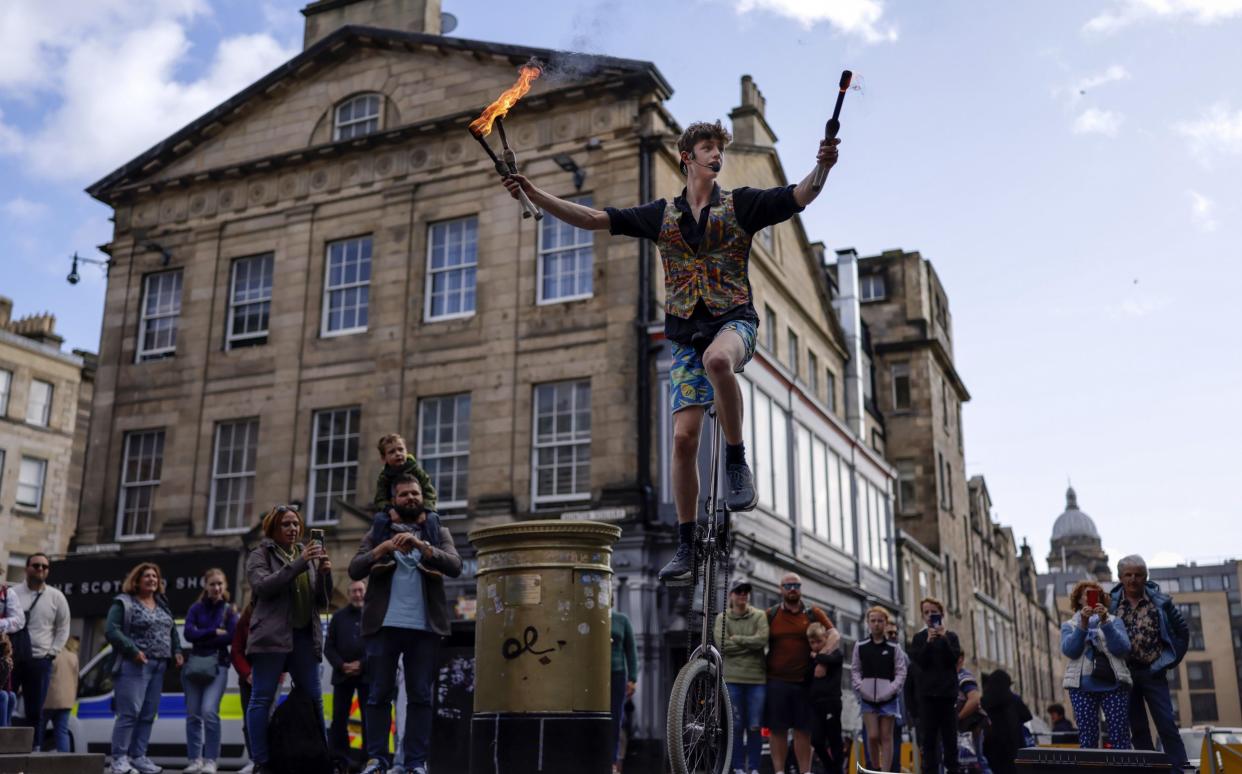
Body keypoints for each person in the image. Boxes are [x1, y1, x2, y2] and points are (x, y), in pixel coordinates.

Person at [502, 122, 840, 585]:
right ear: (687, 156)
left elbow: (800, 195)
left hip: (733, 321)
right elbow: (593, 219)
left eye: (720, 148)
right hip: (685, 333)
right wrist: (535, 193)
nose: (716, 155)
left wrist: (821, 165)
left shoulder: (740, 204)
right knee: (683, 440)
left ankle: (737, 462)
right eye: (707, 147)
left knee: (719, 361)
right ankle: (687, 542)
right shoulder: (661, 215)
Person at [349, 474, 462, 774]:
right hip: (384, 626)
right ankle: (377, 760)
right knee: (378, 696)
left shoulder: (439, 532)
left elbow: (455, 566)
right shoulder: (378, 532)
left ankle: (414, 763)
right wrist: (383, 548)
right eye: (404, 495)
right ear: (394, 500)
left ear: (422, 497)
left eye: (415, 493)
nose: (411, 498)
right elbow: (354, 568)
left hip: (424, 628)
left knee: (420, 697)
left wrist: (421, 545)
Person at [246, 505, 334, 774]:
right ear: (274, 527)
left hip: (304, 635)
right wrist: (300, 563)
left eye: (296, 524)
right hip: (271, 637)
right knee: (261, 699)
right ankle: (261, 761)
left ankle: (321, 757)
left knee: (314, 698)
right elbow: (263, 586)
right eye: (286, 524)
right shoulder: (259, 555)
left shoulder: (303, 555)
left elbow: (321, 600)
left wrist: (324, 573)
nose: (293, 529)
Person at [1108, 555, 1190, 769]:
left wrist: (1169, 660)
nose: (1133, 579)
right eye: (1128, 575)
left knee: (1166, 725)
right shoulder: (1110, 604)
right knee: (1138, 728)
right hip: (1125, 676)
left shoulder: (1161, 602)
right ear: (1120, 577)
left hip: (1153, 672)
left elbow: (1182, 633)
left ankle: (1179, 768)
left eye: (1138, 574)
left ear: (1146, 577)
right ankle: (1148, 769)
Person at [105, 562, 185, 774]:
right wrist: (132, 650)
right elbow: (112, 631)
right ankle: (119, 759)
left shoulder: (162, 603)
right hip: (134, 664)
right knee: (129, 713)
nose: (152, 579)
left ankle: (138, 756)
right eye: (147, 576)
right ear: (137, 580)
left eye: (155, 577)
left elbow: (172, 630)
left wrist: (177, 650)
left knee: (148, 714)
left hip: (159, 666)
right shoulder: (124, 602)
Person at [766, 573, 834, 774]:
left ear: (801, 588)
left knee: (803, 730)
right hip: (776, 681)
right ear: (781, 589)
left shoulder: (813, 613)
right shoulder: (771, 614)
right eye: (788, 585)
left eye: (796, 585)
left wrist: (822, 657)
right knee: (777, 730)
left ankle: (805, 772)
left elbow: (834, 635)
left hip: (805, 682)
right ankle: (779, 772)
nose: (792, 588)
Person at [1061, 579, 1132, 750]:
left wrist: (1106, 622)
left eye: (1096, 594)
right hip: (1081, 687)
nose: (1092, 598)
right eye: (1087, 594)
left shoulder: (1113, 621)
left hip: (1113, 685)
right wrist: (1082, 626)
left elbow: (1122, 649)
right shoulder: (1069, 625)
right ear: (1079, 600)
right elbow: (1070, 651)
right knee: (1088, 737)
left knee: (1120, 735)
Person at [10, 553, 71, 751]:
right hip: (13, 658)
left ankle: (33, 748)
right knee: (5, 702)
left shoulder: (56, 596)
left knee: (35, 710)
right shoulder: (13, 593)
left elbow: (63, 627)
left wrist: (52, 653)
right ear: (27, 568)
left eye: (44, 567)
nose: (40, 570)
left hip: (39, 659)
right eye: (36, 566)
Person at [182, 568, 238, 774]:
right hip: (195, 665)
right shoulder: (196, 608)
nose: (216, 588)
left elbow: (231, 637)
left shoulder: (230, 610)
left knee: (209, 711)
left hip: (219, 665)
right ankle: (194, 759)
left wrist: (201, 635)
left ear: (225, 587)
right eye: (212, 584)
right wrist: (213, 631)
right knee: (193, 715)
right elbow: (188, 634)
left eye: (220, 584)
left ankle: (211, 760)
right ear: (205, 586)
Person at [713, 579, 768, 774]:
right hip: (732, 679)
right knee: (735, 726)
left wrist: (738, 640)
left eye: (746, 591)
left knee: (754, 726)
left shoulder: (760, 615)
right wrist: (749, 644)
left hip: (757, 680)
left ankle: (753, 768)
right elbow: (721, 645)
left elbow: (762, 640)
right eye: (739, 591)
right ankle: (737, 768)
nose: (743, 594)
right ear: (731, 595)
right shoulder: (722, 618)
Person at [907, 597, 963, 774]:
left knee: (950, 741)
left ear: (941, 614)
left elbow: (953, 659)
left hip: (946, 696)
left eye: (934, 612)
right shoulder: (918, 638)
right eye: (926, 612)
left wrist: (943, 638)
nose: (930, 616)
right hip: (927, 697)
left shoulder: (951, 637)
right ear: (923, 616)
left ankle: (952, 769)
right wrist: (929, 643)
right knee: (929, 742)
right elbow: (919, 662)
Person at [851, 607, 907, 773]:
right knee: (873, 735)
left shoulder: (893, 648)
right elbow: (855, 669)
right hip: (868, 698)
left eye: (880, 621)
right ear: (868, 623)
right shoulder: (860, 646)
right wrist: (861, 687)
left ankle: (885, 770)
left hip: (888, 698)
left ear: (885, 623)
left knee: (886, 736)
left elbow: (901, 671)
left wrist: (892, 689)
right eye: (873, 621)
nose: (876, 624)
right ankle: (874, 767)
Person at [326, 579, 370, 759]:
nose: (357, 594)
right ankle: (340, 759)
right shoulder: (338, 617)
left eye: (360, 590)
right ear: (348, 593)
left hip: (367, 675)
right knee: (339, 720)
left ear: (365, 591)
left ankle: (367, 760)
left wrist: (362, 664)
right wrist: (342, 665)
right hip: (342, 675)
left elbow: (378, 647)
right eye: (354, 591)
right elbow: (328, 647)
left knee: (369, 720)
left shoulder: (373, 615)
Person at [807, 622, 844, 774]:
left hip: (831, 702)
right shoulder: (811, 658)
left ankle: (838, 769)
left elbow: (831, 660)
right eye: (812, 642)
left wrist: (819, 656)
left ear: (826, 639)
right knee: (816, 740)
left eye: (819, 641)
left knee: (834, 739)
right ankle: (830, 767)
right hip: (815, 704)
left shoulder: (836, 654)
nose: (815, 645)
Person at [979, 671, 1031, 774]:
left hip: (992, 746)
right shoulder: (1013, 699)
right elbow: (1026, 716)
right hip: (1014, 746)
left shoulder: (985, 700)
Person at [373, 433, 437, 512]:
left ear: (406, 451)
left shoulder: (416, 470)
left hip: (418, 508)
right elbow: (380, 499)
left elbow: (429, 492)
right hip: (394, 510)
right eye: (392, 452)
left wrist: (426, 510)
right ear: (384, 458)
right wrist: (390, 510)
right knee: (380, 519)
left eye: (401, 449)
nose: (398, 454)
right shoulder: (384, 477)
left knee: (432, 518)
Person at [609, 608, 638, 773]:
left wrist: (632, 678)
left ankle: (612, 762)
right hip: (594, 674)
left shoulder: (621, 620)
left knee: (615, 719)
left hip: (617, 674)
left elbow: (631, 650)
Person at [231, 597, 257, 774]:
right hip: (248, 679)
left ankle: (267, 760)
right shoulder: (245, 618)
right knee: (249, 722)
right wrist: (247, 673)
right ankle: (254, 759)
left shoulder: (279, 613)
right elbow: (236, 650)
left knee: (266, 720)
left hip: (271, 677)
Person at [41, 635, 80, 753]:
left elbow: (42, 677)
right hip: (67, 701)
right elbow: (76, 680)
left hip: (48, 700)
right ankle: (65, 763)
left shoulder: (49, 655)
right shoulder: (73, 657)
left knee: (39, 730)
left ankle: (36, 759)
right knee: (62, 732)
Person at [955, 652, 990, 773]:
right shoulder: (954, 676)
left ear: (960, 659)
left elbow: (975, 700)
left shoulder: (963, 676)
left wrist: (957, 718)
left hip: (968, 728)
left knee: (976, 761)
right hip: (965, 728)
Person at [884, 622, 907, 773]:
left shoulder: (903, 657)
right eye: (889, 633)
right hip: (877, 712)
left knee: (895, 758)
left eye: (895, 633)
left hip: (896, 712)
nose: (893, 636)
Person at [0, 632, 14, 727]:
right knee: (3, 695)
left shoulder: (5, 661)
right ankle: (3, 730)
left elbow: (6, 686)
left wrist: (6, 669)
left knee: (12, 696)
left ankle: (7, 728)